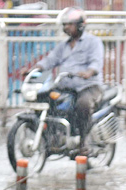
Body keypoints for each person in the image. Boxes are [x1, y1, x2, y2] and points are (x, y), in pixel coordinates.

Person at [37, 7, 103, 145]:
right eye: (64, 24)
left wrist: (89, 72)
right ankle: (52, 135)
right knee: (44, 98)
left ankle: (83, 142)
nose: (66, 27)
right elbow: (50, 60)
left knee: (82, 105)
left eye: (69, 24)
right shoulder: (63, 45)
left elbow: (96, 62)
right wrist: (35, 68)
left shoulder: (93, 42)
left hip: (88, 86)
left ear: (80, 25)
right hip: (65, 86)